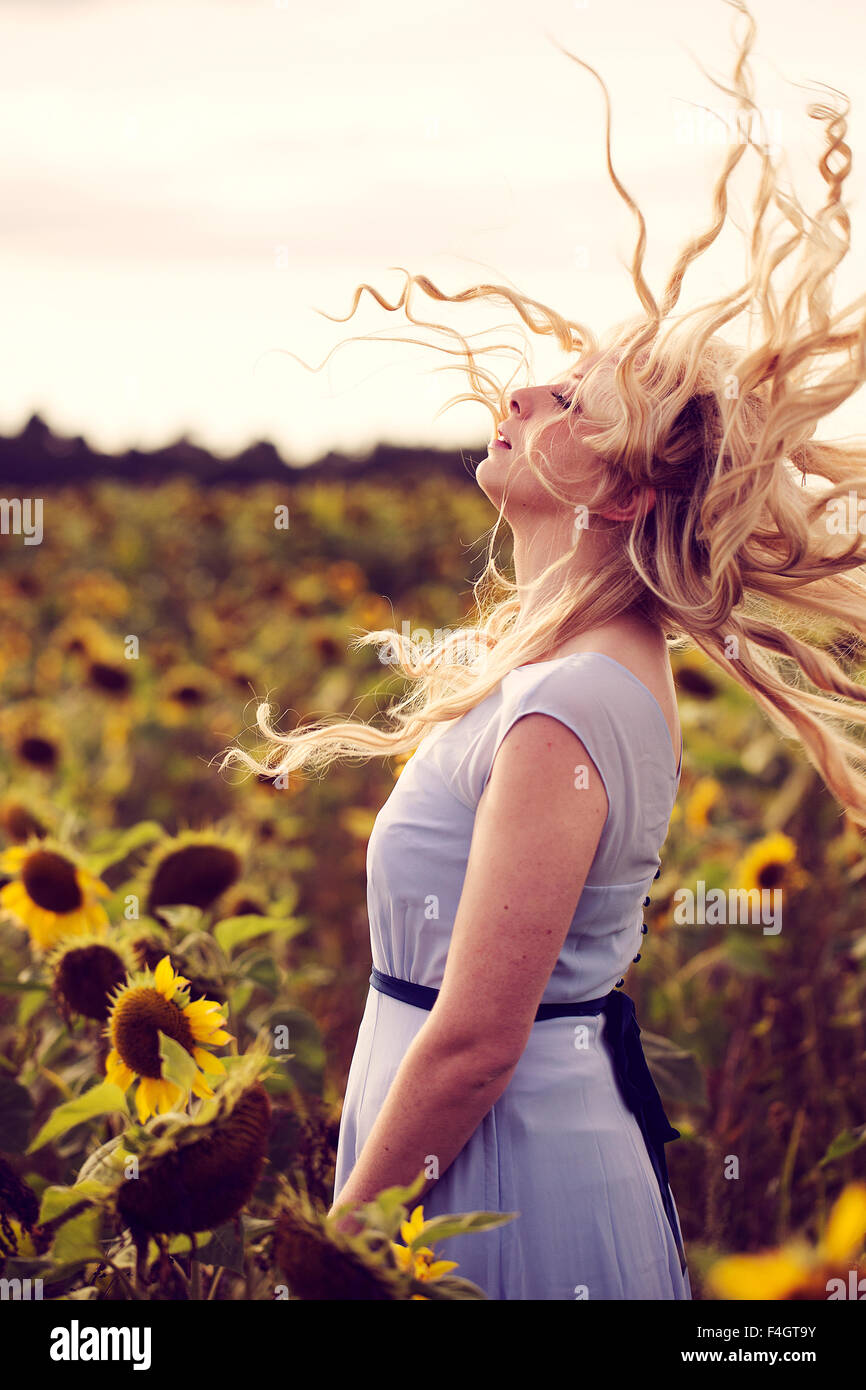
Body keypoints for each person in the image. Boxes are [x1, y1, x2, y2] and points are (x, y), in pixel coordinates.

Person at [220, 0, 866, 1298]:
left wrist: (335, 1251)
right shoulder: (566, 670)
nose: (517, 393)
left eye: (568, 401)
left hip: (492, 1188)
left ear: (621, 495)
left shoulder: (572, 699)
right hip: (469, 1161)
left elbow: (471, 1041)